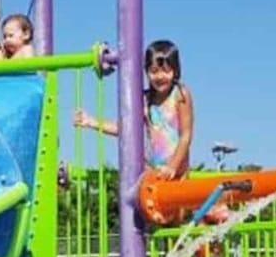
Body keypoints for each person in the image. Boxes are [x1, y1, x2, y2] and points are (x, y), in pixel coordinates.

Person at [75, 39, 193, 181]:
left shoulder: (180, 94)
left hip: (177, 171)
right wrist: (92, 122)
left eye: (166, 71)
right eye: (154, 71)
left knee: (181, 200)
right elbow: (125, 129)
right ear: (146, 72)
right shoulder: (144, 99)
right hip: (153, 171)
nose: (160, 76)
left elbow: (185, 136)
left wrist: (173, 166)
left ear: (175, 71)